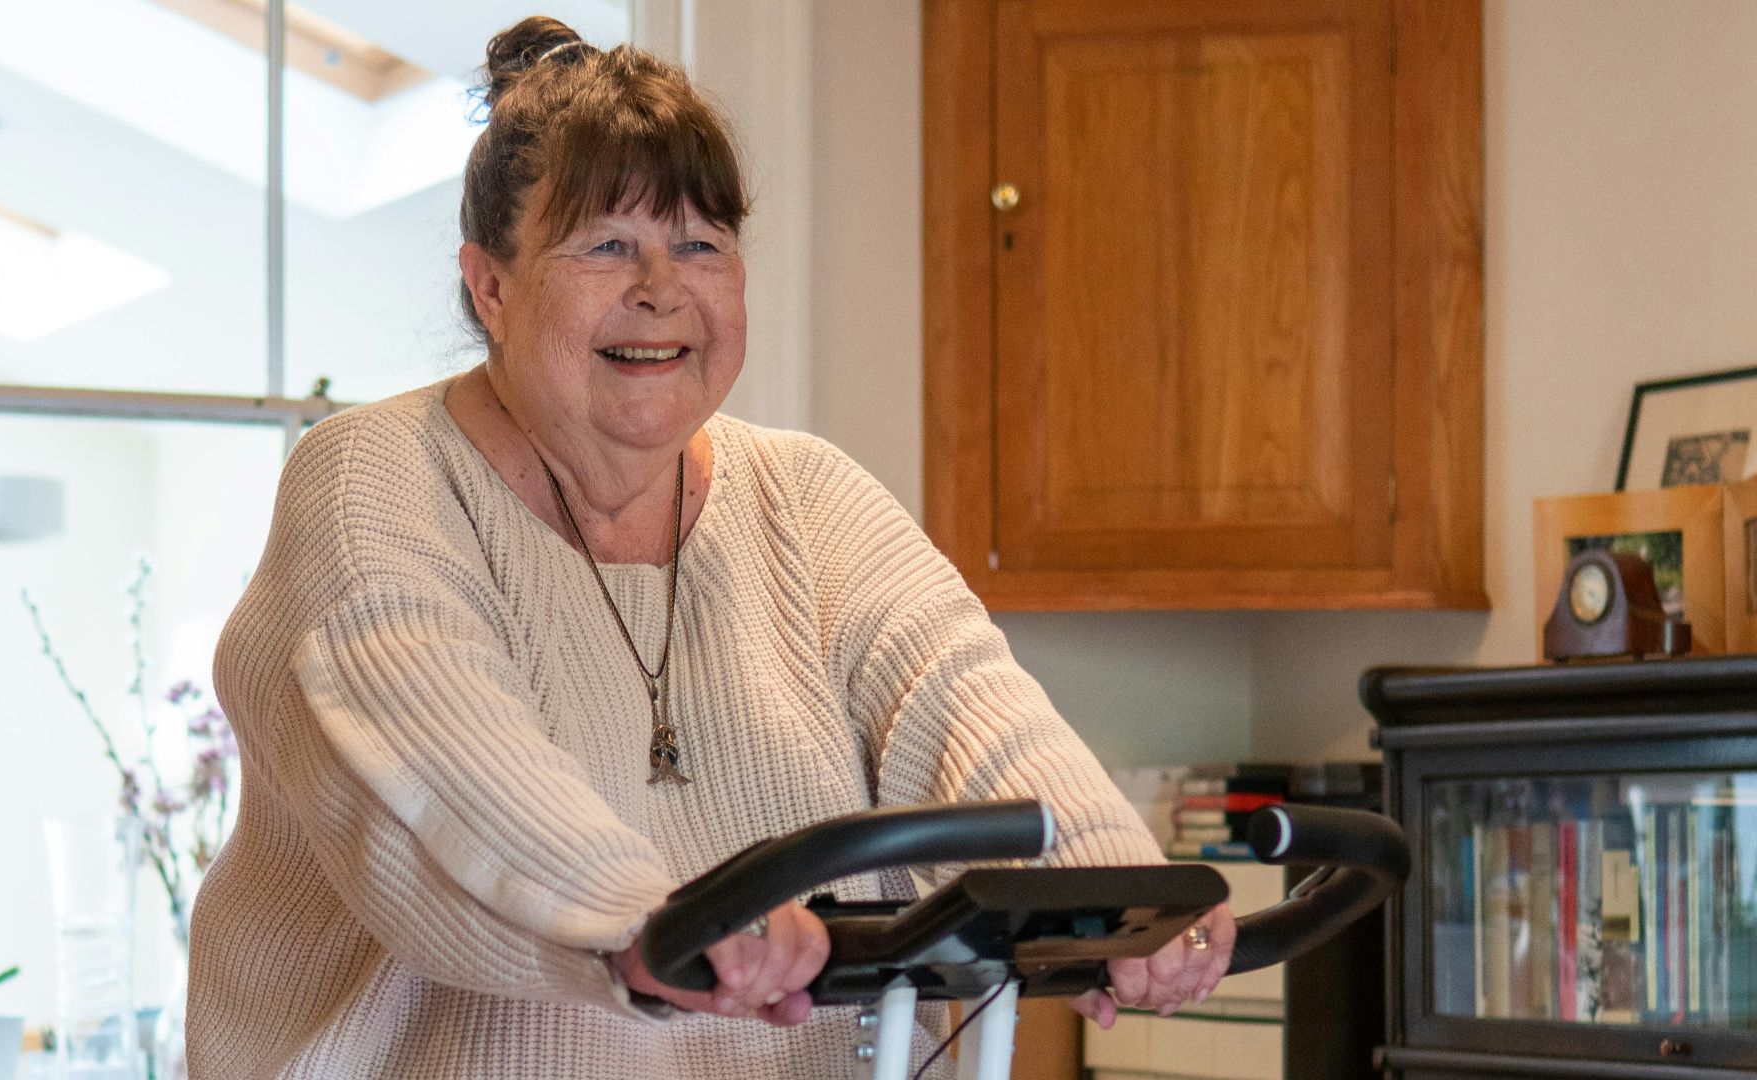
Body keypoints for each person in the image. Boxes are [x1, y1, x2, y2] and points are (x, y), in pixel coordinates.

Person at [188, 15, 1234, 1079]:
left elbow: (960, 699)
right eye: (605, 245)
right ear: (490, 287)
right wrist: (644, 917)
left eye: (701, 244)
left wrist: (1118, 892)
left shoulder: (807, 497)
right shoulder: (378, 478)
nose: (661, 287)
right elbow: (435, 750)